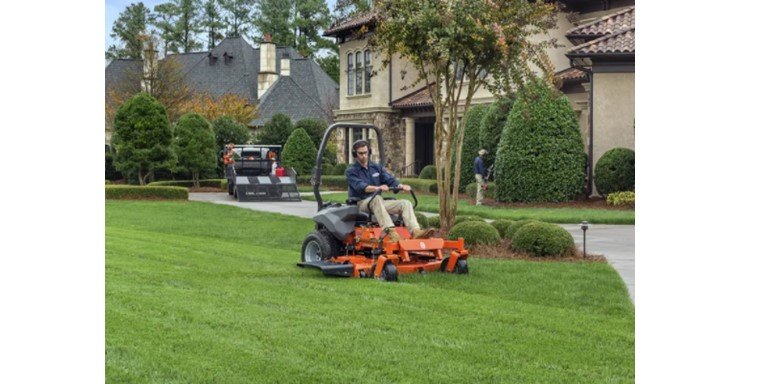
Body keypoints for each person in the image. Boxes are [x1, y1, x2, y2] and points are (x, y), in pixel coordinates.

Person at [346, 140, 435, 242]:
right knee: (377, 198)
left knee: (405, 203)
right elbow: (360, 186)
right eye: (361, 153)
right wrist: (378, 188)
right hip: (361, 203)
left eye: (366, 152)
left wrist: (401, 186)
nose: (364, 155)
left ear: (369, 152)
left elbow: (390, 179)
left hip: (378, 202)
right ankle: (391, 233)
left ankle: (415, 231)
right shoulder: (351, 171)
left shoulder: (376, 167)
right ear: (355, 154)